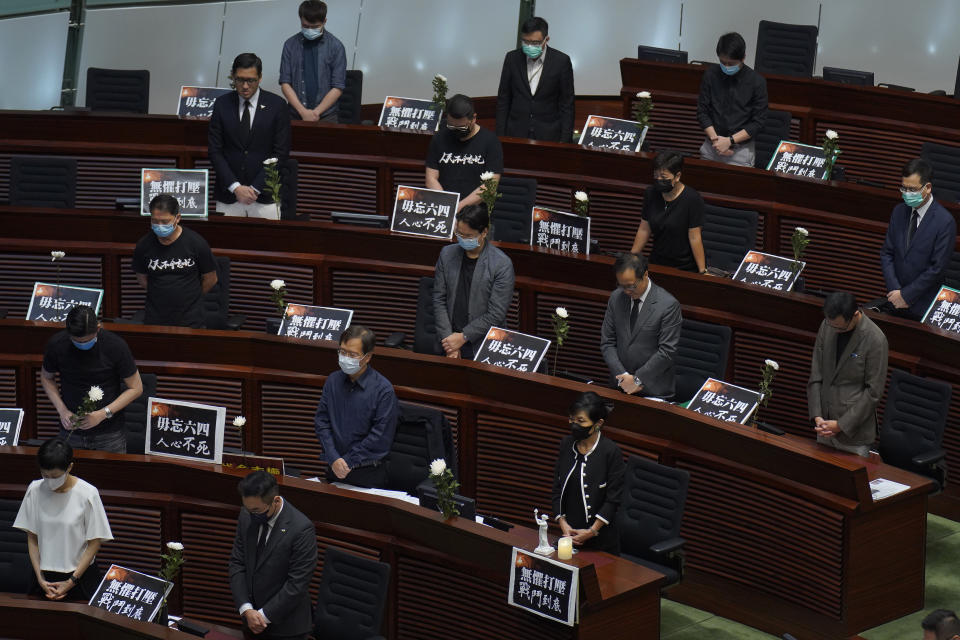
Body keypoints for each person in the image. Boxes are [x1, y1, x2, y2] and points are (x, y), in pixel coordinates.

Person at [14, 438, 113, 602]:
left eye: (55, 476)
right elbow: (32, 538)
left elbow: (94, 542)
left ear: (70, 467)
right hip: (43, 578)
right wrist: (40, 578)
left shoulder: (88, 493)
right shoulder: (35, 489)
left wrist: (71, 581)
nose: (50, 481)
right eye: (45, 475)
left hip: (79, 578)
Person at [41, 305, 143, 454]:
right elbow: (46, 377)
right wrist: (62, 410)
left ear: (98, 328)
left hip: (109, 434)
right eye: (77, 341)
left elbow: (136, 388)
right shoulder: (57, 344)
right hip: (71, 431)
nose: (82, 345)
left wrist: (103, 413)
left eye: (87, 340)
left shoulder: (115, 346)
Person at [229, 470, 316, 640]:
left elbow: (297, 583)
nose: (251, 514)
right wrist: (246, 609)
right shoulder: (247, 514)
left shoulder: (301, 529)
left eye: (256, 510)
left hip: (286, 628)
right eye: (248, 509)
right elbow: (237, 563)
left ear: (275, 501)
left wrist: (262, 616)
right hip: (250, 619)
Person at [208, 52, 291, 219]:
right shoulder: (222, 105)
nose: (245, 86)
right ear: (233, 77)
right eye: (240, 80)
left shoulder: (277, 105)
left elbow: (280, 153)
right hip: (229, 196)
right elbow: (215, 151)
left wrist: (255, 188)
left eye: (251, 80)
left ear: (260, 78)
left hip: (265, 197)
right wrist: (235, 187)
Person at [313, 325, 399, 488]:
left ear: (367, 357)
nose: (345, 358)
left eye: (352, 354)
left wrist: (347, 461)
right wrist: (333, 457)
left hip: (367, 474)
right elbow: (321, 421)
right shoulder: (333, 380)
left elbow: (379, 436)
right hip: (334, 468)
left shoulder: (383, 390)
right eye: (342, 352)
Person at [807, 292, 888, 457]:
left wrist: (841, 425)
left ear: (855, 315)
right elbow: (816, 375)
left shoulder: (875, 339)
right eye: (831, 325)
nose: (835, 330)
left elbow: (873, 392)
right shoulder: (827, 325)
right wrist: (817, 416)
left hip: (854, 434)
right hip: (824, 426)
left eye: (840, 327)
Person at [433, 204, 516, 360]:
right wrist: (449, 342)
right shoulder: (447, 254)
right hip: (448, 340)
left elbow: (496, 314)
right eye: (459, 234)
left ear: (484, 232)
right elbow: (439, 299)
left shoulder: (501, 264)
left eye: (469, 236)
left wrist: (463, 337)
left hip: (483, 343)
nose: (463, 240)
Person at [878, 158, 956, 320]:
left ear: (927, 188)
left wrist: (906, 295)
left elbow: (937, 268)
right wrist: (896, 292)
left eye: (912, 189)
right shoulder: (899, 211)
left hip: (924, 305)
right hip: (894, 300)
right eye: (903, 188)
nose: (907, 194)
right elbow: (887, 253)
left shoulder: (944, 221)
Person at [551, 392, 625, 555]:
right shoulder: (566, 444)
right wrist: (562, 523)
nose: (574, 425)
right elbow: (557, 489)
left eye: (581, 421)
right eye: (572, 419)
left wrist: (592, 531)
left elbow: (613, 500)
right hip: (569, 537)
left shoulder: (611, 452)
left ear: (598, 423)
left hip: (601, 542)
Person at [600, 253, 682, 398]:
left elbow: (667, 351)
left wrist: (637, 380)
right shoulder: (616, 298)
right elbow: (607, 342)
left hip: (653, 389)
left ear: (645, 275)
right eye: (621, 285)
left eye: (631, 286)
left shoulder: (668, 305)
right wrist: (623, 376)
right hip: (619, 385)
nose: (626, 291)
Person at [132, 194, 218, 328]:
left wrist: (191, 297)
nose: (159, 226)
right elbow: (142, 278)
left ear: (177, 218)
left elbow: (211, 278)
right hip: (156, 318)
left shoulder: (196, 243)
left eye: (165, 222)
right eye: (155, 221)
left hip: (191, 319)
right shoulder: (144, 245)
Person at [495, 16, 574, 143]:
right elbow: (503, 99)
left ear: (546, 40)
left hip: (549, 134)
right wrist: (500, 136)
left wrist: (565, 141)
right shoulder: (512, 58)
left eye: (535, 43)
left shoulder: (561, 61)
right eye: (525, 42)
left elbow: (567, 105)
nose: (529, 46)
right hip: (515, 132)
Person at [696, 32, 768, 167]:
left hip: (741, 152)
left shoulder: (757, 82)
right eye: (723, 62)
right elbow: (702, 112)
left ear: (743, 58)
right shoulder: (711, 75)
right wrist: (716, 141)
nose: (727, 67)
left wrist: (730, 141)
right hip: (711, 146)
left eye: (732, 63)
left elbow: (758, 122)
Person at [630, 151, 707, 273]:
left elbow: (694, 237)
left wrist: (702, 271)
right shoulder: (651, 193)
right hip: (657, 261)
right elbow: (644, 228)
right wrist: (632, 257)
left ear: (677, 176)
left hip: (684, 266)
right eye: (656, 176)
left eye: (664, 177)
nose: (659, 180)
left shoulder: (692, 199)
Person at [425, 94, 504, 212]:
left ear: (474, 118)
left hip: (476, 212)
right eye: (452, 126)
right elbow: (431, 178)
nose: (457, 131)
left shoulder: (490, 141)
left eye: (462, 127)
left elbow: (490, 187)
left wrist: (458, 207)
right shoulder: (439, 138)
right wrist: (447, 205)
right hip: (443, 206)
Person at [279, 0, 347, 123]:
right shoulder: (290, 45)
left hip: (327, 116)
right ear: (300, 19)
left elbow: (338, 86)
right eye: (305, 26)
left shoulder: (336, 46)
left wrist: (315, 113)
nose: (309, 30)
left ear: (324, 21)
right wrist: (303, 112)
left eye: (315, 26)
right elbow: (285, 82)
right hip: (295, 114)